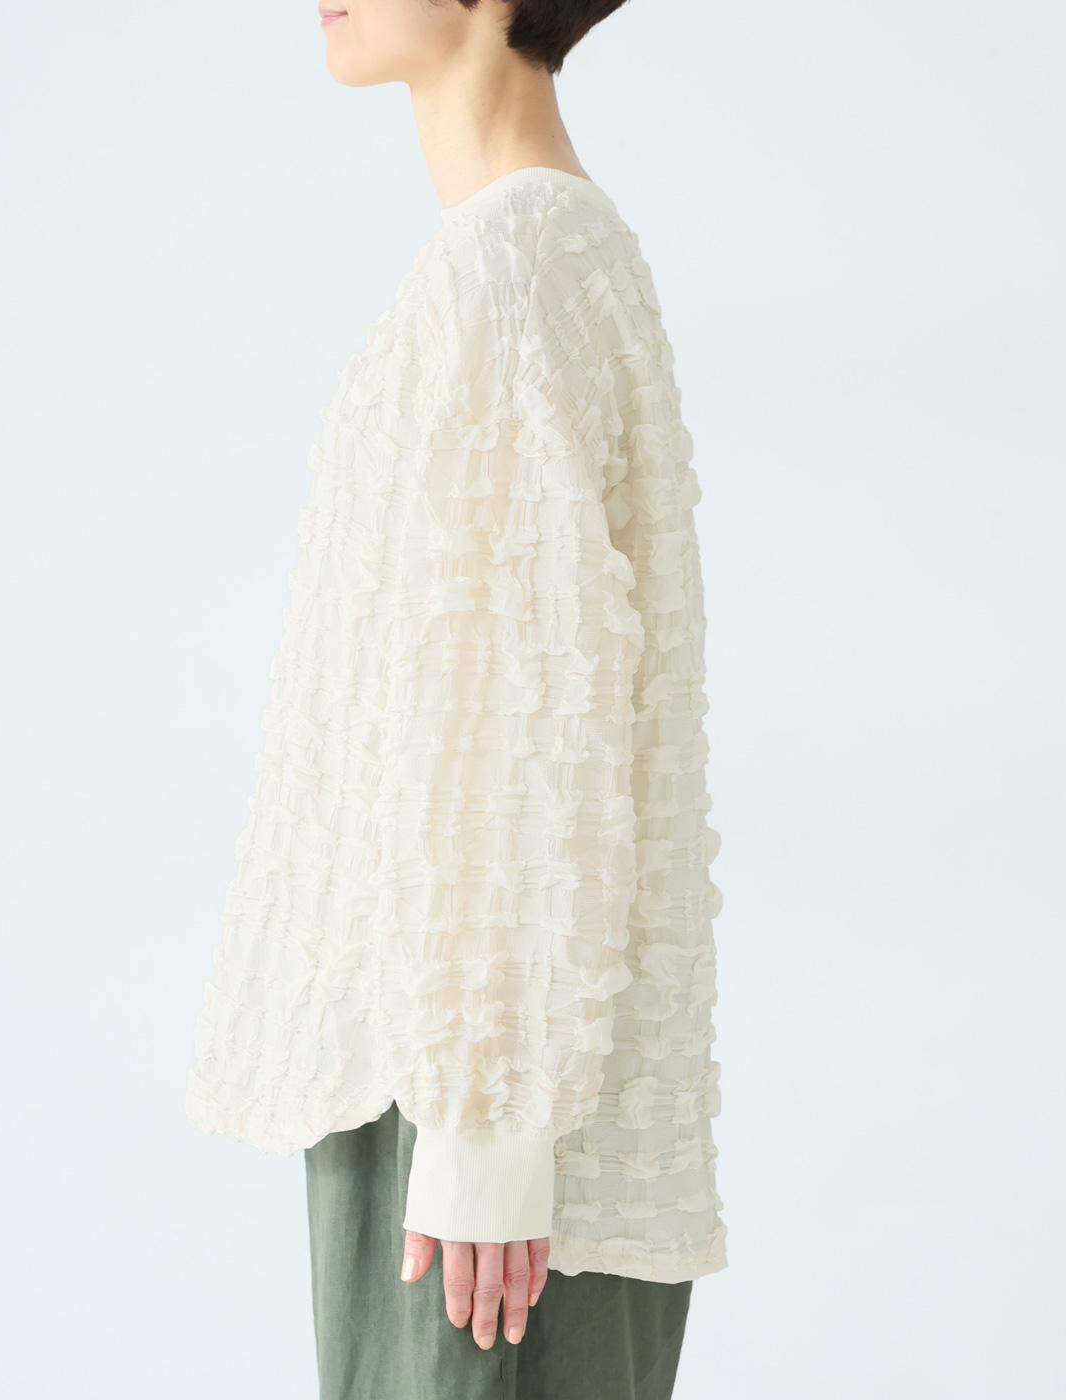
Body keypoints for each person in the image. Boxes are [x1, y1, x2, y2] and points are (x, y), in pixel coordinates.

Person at [186, 2, 726, 1395]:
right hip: (460, 1067)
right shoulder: (535, 251)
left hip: (466, 1099)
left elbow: (523, 712)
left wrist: (486, 1129)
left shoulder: (513, 264)